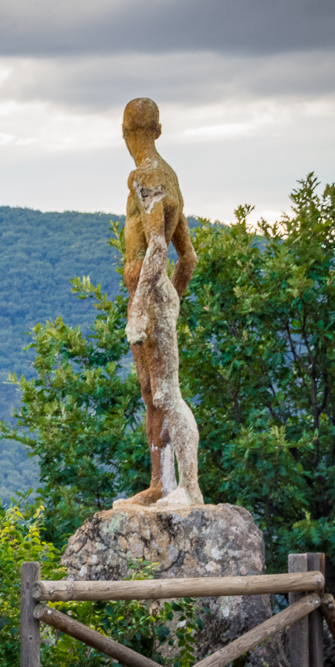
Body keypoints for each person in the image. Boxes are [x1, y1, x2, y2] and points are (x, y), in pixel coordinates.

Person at [117, 97, 201, 508]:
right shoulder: (169, 177)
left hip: (148, 297)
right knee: (151, 394)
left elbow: (156, 247)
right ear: (159, 130)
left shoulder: (144, 175)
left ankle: (189, 486)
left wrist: (142, 308)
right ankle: (159, 484)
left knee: (167, 393)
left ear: (124, 132)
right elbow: (189, 257)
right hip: (154, 296)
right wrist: (172, 300)